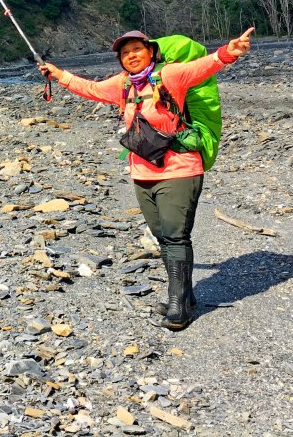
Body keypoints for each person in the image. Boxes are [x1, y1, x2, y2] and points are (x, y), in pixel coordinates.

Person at [38, 27, 254, 330]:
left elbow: (205, 66)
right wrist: (59, 74)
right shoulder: (122, 85)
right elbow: (90, 88)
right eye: (125, 53)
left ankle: (178, 305)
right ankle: (186, 295)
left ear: (150, 51)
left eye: (137, 50)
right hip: (142, 172)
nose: (131, 56)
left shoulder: (170, 76)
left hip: (179, 169)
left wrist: (231, 51)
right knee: (163, 235)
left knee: (176, 235)